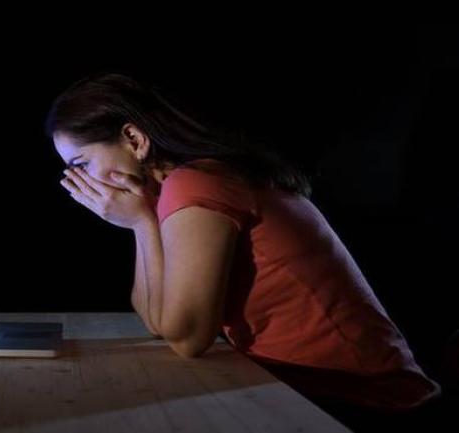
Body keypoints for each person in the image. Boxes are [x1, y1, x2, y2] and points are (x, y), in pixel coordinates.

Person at [46, 72, 442, 424]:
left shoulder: (196, 183)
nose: (80, 183)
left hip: (365, 401)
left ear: (134, 139)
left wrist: (140, 223)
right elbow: (159, 325)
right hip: (312, 388)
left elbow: (187, 339)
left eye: (81, 165)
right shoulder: (181, 187)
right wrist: (141, 223)